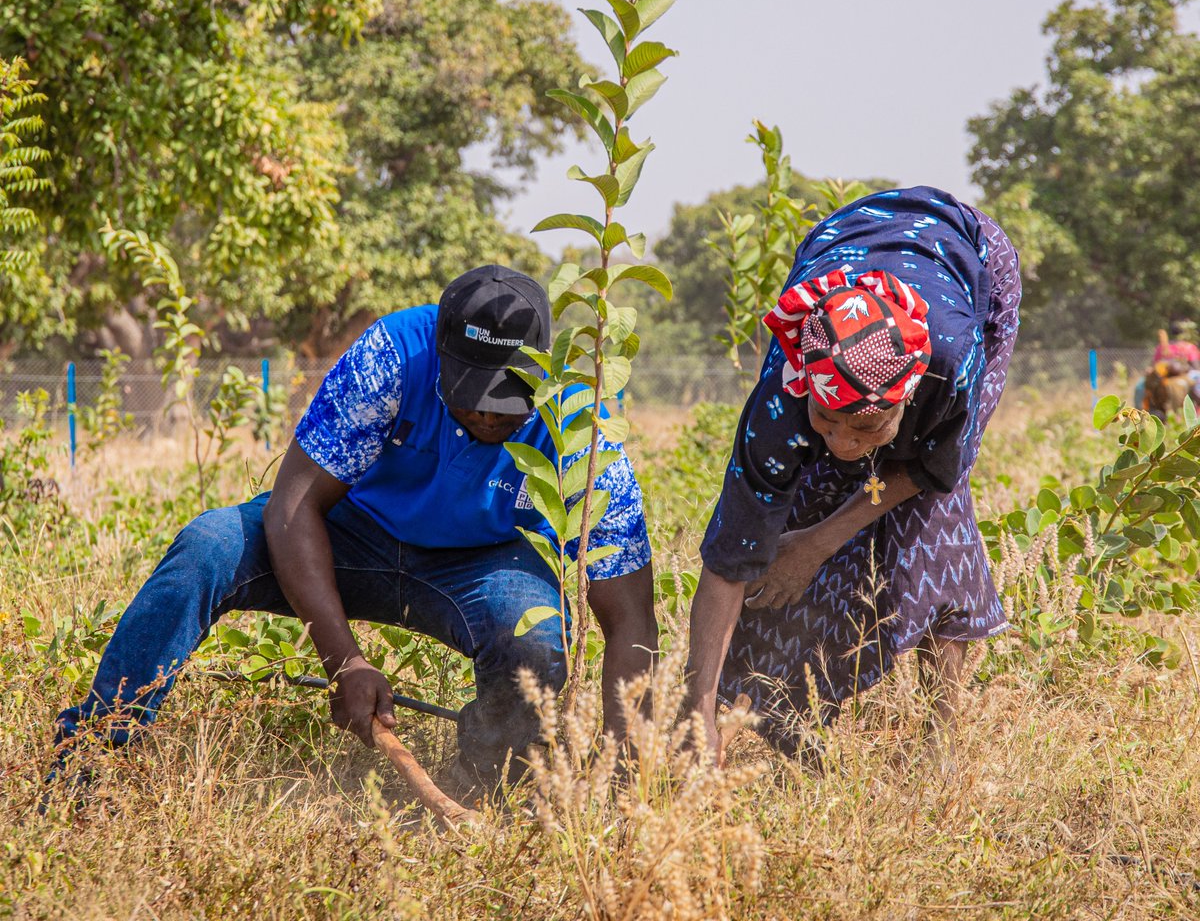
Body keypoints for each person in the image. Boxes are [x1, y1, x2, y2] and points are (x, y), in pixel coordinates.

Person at [52, 266, 657, 790]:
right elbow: (292, 506)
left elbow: (628, 613)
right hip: (351, 532)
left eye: (506, 399)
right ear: (440, 353)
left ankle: (485, 796)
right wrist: (345, 662)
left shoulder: (582, 423)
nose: (485, 412)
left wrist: (628, 776)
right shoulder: (391, 356)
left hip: (485, 563)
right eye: (469, 392)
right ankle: (90, 761)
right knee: (207, 546)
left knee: (537, 639)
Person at [682, 187, 1020, 762]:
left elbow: (935, 467)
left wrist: (817, 544)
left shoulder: (948, 365)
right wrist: (697, 714)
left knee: (935, 526)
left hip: (967, 252)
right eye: (827, 420)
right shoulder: (783, 394)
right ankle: (767, 716)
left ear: (906, 400)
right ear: (806, 390)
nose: (842, 443)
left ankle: (938, 747)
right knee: (799, 508)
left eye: (866, 426)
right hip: (845, 236)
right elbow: (729, 557)